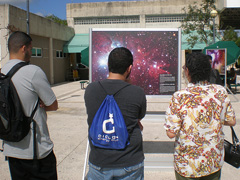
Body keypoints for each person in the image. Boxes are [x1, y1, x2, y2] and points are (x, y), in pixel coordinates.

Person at [164, 52, 236, 180]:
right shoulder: (220, 91)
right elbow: (231, 121)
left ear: (187, 71)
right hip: (213, 162)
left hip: (187, 165)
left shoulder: (179, 96)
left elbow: (171, 133)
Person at [1, 31, 58, 180]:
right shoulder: (33, 71)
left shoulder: (2, 73)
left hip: (11, 149)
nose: (31, 53)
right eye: (31, 49)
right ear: (24, 48)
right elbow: (53, 105)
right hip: (36, 151)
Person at [84, 47, 146, 180]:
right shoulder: (137, 92)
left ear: (108, 65)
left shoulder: (91, 89)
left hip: (99, 162)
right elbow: (138, 117)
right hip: (130, 162)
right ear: (129, 68)